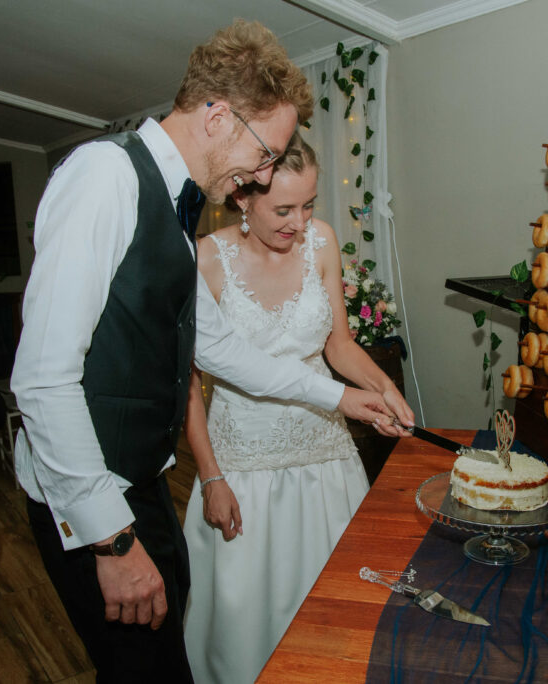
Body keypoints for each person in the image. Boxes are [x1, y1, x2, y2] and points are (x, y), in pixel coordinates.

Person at [11, 20, 411, 683]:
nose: (263, 174)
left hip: (137, 482)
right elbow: (43, 380)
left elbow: (222, 349)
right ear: (218, 115)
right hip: (90, 499)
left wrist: (344, 397)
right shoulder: (105, 176)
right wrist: (112, 540)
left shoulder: (175, 209)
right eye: (265, 153)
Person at [182, 132, 414, 684]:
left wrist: (384, 387)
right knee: (249, 613)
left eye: (308, 205)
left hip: (325, 458)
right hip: (244, 467)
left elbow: (338, 345)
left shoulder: (322, 242)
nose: (300, 222)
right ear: (242, 196)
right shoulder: (206, 260)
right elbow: (187, 382)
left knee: (336, 600)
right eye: (284, 209)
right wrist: (211, 476)